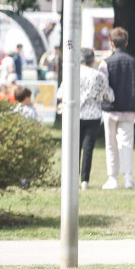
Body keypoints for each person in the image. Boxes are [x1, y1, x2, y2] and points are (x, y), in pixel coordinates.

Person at [57, 48, 113, 190]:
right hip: (93, 115)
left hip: (74, 115)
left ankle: (71, 179)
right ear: (92, 61)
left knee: (73, 148)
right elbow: (110, 96)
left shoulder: (72, 74)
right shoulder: (99, 76)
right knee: (88, 149)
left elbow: (60, 94)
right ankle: (85, 181)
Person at [100, 27, 135, 190]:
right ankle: (128, 178)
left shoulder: (105, 63)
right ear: (126, 43)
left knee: (110, 144)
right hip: (129, 109)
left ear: (111, 43)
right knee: (126, 143)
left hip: (110, 109)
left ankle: (112, 178)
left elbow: (102, 87)